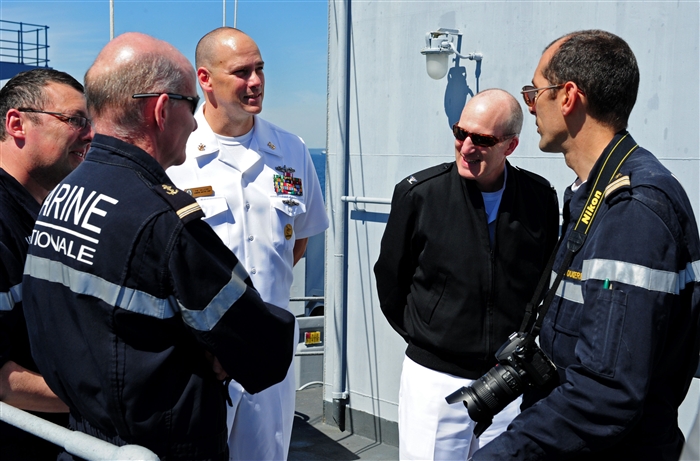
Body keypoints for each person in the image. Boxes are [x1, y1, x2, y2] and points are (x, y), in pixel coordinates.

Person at [21, 32, 296, 461]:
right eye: (190, 107)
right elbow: (264, 350)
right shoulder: (163, 220)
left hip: (83, 436)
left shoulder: (60, 193)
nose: (194, 122)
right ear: (163, 110)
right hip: (158, 445)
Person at [473, 30, 700, 461]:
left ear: (568, 96)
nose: (530, 105)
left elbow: (606, 392)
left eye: (534, 91)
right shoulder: (596, 194)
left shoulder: (633, 210)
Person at [167, 27, 328, 461]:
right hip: (197, 357)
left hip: (268, 356)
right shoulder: (174, 155)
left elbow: (298, 242)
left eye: (259, 69)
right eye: (241, 72)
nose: (255, 81)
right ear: (205, 79)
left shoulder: (290, 150)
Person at [373, 89, 560, 460]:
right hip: (435, 384)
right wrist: (430, 335)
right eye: (460, 133)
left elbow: (542, 284)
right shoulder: (420, 195)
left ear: (510, 145)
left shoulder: (539, 199)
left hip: (510, 382)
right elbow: (391, 280)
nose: (466, 146)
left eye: (482, 139)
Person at [0, 68, 92, 460]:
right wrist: (108, 399)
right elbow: (2, 381)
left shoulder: (43, 212)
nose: (89, 135)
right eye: (74, 120)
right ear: (17, 123)